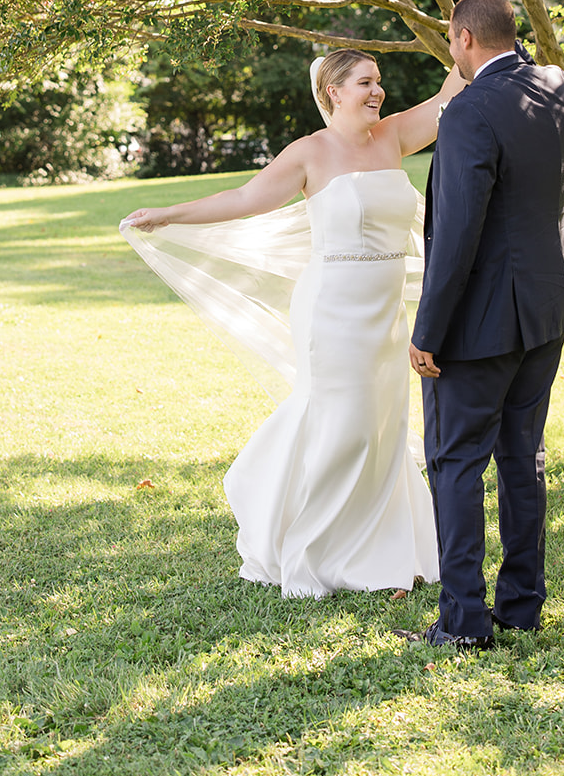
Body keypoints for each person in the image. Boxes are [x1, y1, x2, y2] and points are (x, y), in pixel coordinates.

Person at [121, 47, 466, 598]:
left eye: (378, 82)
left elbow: (452, 94)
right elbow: (245, 197)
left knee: (380, 428)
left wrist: (463, 30)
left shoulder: (395, 136)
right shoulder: (311, 152)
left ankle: (380, 547)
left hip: (386, 312)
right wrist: (168, 213)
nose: (376, 92)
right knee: (344, 425)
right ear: (333, 91)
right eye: (363, 83)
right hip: (332, 309)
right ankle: (308, 544)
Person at [408, 0, 564, 650]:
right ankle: (520, 605)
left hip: (484, 320)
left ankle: (462, 623)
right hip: (549, 301)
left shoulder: (467, 112)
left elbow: (456, 232)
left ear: (462, 39)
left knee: (455, 461)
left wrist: (427, 332)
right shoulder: (554, 86)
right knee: (523, 456)